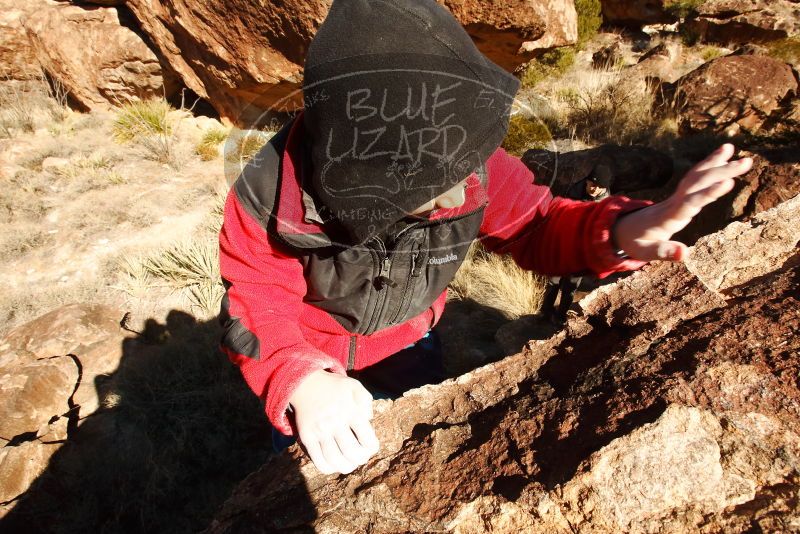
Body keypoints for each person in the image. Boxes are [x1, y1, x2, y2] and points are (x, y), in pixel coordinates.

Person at [217, 0, 753, 476]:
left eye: (460, 170)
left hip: (413, 342)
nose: (458, 197)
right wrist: (302, 382)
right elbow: (256, 298)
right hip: (311, 353)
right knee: (304, 470)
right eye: (426, 188)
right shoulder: (269, 192)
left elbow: (538, 224)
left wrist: (625, 230)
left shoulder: (475, 161)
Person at [540, 166, 611, 325]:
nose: (595, 189)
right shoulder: (573, 194)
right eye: (592, 184)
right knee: (553, 281)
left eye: (600, 187)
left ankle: (560, 316)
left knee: (570, 286)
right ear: (586, 181)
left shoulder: (607, 206)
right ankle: (545, 312)